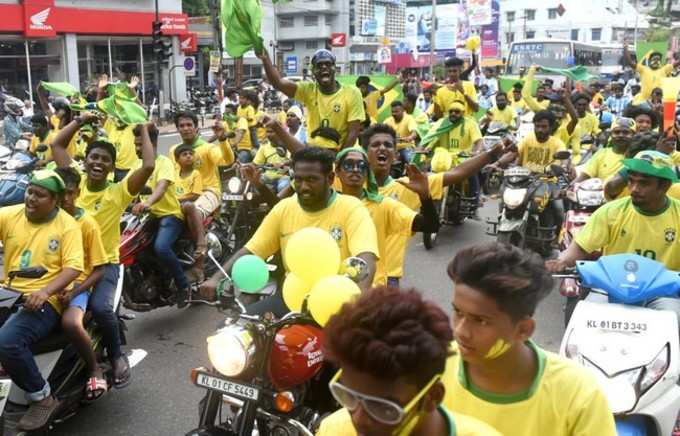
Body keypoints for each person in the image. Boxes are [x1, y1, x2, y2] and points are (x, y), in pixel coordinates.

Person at [444, 242, 616, 435]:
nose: (460, 331)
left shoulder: (578, 394)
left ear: (524, 330)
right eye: (457, 312)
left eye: (480, 321)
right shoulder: (430, 370)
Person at [200, 147, 379, 314]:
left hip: (339, 302)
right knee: (233, 332)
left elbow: (366, 257)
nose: (304, 186)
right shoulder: (284, 208)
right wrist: (216, 278)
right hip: (292, 297)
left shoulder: (352, 208)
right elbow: (251, 250)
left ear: (330, 179)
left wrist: (358, 302)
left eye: (312, 179)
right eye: (298, 179)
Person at [50, 113, 156, 390]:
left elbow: (148, 166)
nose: (98, 162)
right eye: (93, 157)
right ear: (85, 161)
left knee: (101, 309)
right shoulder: (74, 182)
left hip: (106, 264)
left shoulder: (118, 192)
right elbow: (57, 146)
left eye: (104, 160)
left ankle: (117, 355)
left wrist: (143, 128)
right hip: (67, 263)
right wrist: (81, 120)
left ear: (111, 168)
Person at [317, 286, 501, 436]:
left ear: (432, 397)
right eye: (348, 395)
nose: (358, 419)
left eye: (382, 407)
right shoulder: (333, 430)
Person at [363, 124, 514, 286]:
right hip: (349, 275)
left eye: (388, 145)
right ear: (365, 153)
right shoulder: (347, 183)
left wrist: (491, 155)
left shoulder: (408, 186)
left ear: (395, 155)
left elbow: (457, 173)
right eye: (375, 144)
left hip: (387, 280)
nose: (382, 148)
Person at [546, 150, 680, 333]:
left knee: (672, 322)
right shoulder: (610, 211)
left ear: (664, 186)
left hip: (662, 293)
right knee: (585, 323)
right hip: (610, 289)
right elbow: (580, 248)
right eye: (631, 181)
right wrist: (561, 261)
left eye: (644, 183)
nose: (634, 189)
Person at [0, 170, 83, 431]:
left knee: (8, 341)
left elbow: (73, 269)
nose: (31, 198)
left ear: (55, 200)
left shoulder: (67, 225)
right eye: (30, 191)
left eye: (40, 194)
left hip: (44, 299)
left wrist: (45, 292)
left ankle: (42, 397)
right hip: (9, 292)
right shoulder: (10, 214)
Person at [334, 147, 438, 286]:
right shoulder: (328, 206)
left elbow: (430, 225)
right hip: (333, 289)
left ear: (367, 172)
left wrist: (425, 196)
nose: (355, 169)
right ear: (337, 172)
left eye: (362, 165)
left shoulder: (383, 205)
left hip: (374, 291)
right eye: (348, 165)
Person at [53, 167, 108, 402]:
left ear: (77, 192)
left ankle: (94, 368)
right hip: (49, 283)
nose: (65, 199)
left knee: (71, 323)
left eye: (70, 193)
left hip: (78, 284)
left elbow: (99, 269)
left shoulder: (87, 224)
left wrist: (75, 290)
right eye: (60, 193)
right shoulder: (48, 220)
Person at [129, 124, 191, 307]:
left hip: (169, 215)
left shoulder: (164, 162)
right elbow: (127, 189)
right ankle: (157, 280)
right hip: (148, 219)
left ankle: (184, 286)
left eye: (141, 145)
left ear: (152, 144)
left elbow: (161, 187)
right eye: (136, 145)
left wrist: (147, 202)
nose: (138, 149)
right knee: (134, 250)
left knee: (162, 247)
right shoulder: (135, 166)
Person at [258, 48, 365, 150]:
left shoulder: (352, 93)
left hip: (344, 152)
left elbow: (353, 133)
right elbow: (278, 83)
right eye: (319, 65)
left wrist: (340, 159)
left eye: (328, 64)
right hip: (316, 153)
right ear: (313, 71)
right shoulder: (308, 90)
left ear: (334, 68)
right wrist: (265, 58)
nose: (324, 67)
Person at [494, 110, 567, 229]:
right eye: (537, 126)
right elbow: (513, 153)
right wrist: (496, 163)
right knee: (505, 197)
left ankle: (558, 235)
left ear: (551, 127)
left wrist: (562, 167)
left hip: (548, 180)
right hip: (524, 179)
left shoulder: (557, 143)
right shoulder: (527, 139)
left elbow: (563, 159)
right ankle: (502, 219)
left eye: (544, 126)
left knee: (558, 207)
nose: (540, 130)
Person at [169, 111, 236, 219]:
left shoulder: (208, 148)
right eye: (182, 126)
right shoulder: (174, 150)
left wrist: (222, 140)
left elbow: (227, 161)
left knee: (193, 213)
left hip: (208, 192)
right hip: (183, 194)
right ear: (178, 129)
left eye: (189, 125)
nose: (186, 128)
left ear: (196, 127)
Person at [173, 144, 207, 281]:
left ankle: (201, 242)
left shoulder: (195, 174)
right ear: (177, 159)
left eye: (190, 154)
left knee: (189, 206)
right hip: (173, 206)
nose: (188, 156)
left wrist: (177, 199)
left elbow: (195, 195)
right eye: (184, 154)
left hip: (184, 205)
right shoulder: (174, 175)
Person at [573, 117, 636, 185]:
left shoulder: (637, 155)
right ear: (611, 135)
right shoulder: (602, 153)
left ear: (634, 135)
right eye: (617, 132)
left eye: (626, 132)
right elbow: (585, 176)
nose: (621, 135)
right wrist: (569, 188)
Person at [252, 124, 291, 194]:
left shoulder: (288, 144)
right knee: (255, 183)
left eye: (272, 132)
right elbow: (255, 164)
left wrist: (283, 165)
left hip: (284, 177)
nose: (269, 135)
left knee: (283, 186)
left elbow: (293, 162)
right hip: (268, 177)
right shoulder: (264, 147)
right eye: (267, 132)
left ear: (279, 133)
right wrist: (244, 166)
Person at [384, 100, 418, 165]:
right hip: (392, 149)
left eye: (396, 112)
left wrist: (410, 137)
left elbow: (414, 133)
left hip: (406, 147)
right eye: (392, 112)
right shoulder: (388, 121)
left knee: (410, 161)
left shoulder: (409, 118)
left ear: (402, 110)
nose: (394, 114)